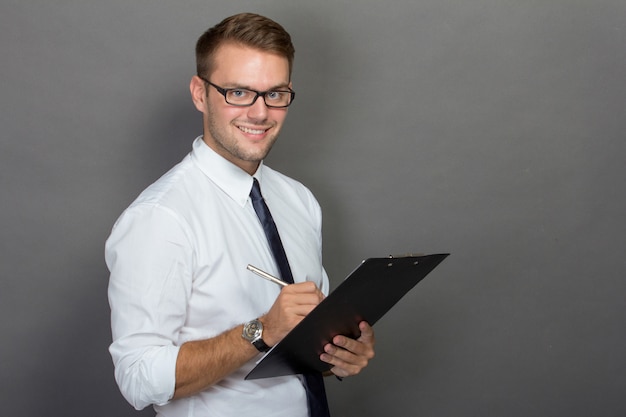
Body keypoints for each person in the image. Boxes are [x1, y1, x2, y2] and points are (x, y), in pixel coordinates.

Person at [105, 12, 375, 417]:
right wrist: (260, 331)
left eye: (276, 94)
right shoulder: (160, 218)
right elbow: (138, 377)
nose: (260, 113)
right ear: (200, 93)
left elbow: (306, 334)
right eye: (239, 93)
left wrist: (340, 351)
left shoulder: (299, 200)